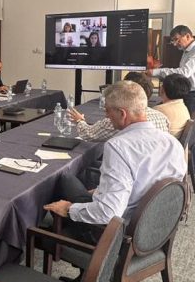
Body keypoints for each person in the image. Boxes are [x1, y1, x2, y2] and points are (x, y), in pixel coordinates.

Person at [44, 81, 186, 247]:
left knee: (62, 179)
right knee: (72, 182)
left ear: (122, 113)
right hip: (156, 231)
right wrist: (102, 191)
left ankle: (59, 238)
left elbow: (108, 213)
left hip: (118, 235)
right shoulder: (172, 143)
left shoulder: (118, 146)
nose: (106, 115)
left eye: (108, 111)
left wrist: (69, 209)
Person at [151, 25, 195, 172]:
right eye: (173, 41)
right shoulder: (188, 50)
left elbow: (184, 72)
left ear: (188, 36)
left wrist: (156, 72)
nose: (175, 44)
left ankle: (194, 167)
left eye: (177, 40)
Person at [67, 72, 170, 141]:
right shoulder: (162, 117)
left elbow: (89, 134)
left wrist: (79, 121)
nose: (107, 115)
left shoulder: (115, 124)